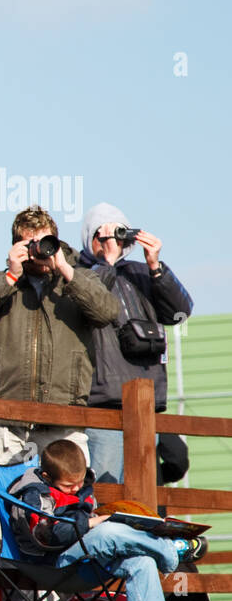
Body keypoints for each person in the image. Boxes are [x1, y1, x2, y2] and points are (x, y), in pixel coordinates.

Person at [6, 439, 206, 601]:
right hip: (55, 564)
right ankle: (171, 550)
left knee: (142, 561)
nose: (76, 489)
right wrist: (91, 523)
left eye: (80, 483)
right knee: (108, 530)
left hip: (87, 561)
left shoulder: (78, 487)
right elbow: (46, 534)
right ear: (48, 477)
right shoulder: (35, 493)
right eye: (68, 486)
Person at [0, 206, 121, 467]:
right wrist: (11, 275)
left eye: (44, 242)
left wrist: (65, 270)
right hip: (6, 417)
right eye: (30, 244)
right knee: (2, 503)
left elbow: (107, 312)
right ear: (16, 246)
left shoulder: (80, 278)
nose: (38, 250)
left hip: (63, 417)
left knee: (64, 503)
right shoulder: (2, 280)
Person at [78, 204, 193, 483]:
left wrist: (155, 266)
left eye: (119, 235)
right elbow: (88, 304)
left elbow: (180, 312)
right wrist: (107, 263)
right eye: (103, 235)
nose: (113, 243)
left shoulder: (141, 272)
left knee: (142, 489)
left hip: (146, 400)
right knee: (107, 486)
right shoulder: (78, 275)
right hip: (104, 401)